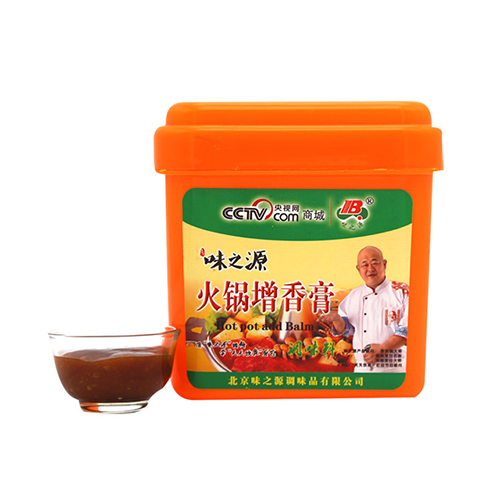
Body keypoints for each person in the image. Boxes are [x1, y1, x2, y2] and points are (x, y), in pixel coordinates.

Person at [321, 246, 408, 373]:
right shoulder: (353, 295)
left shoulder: (401, 291)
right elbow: (347, 330)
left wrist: (383, 349)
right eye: (365, 265)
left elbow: (408, 329)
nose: (370, 269)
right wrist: (337, 319)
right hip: (362, 370)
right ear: (358, 269)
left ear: (384, 264)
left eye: (375, 263)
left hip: (395, 369)